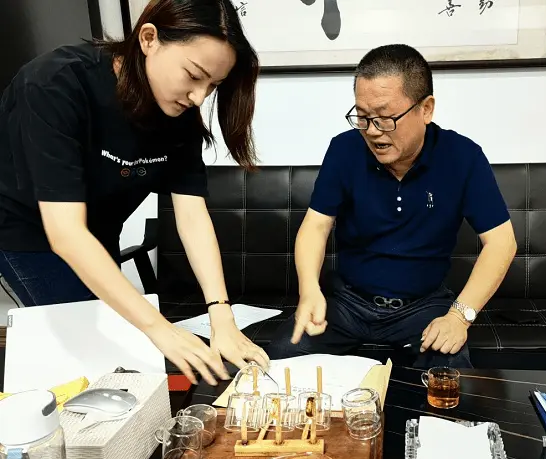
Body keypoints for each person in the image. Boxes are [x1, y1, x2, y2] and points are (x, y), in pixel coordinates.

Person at [0, 0, 270, 386]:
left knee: (115, 342)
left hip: (98, 229)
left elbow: (192, 215)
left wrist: (221, 315)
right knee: (86, 348)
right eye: (194, 75)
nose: (199, 97)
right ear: (149, 39)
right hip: (27, 232)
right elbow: (66, 233)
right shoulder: (54, 84)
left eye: (212, 86)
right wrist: (160, 328)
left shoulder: (179, 116)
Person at [265, 44, 517, 369]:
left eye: (385, 118)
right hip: (347, 303)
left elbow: (501, 242)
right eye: (362, 117)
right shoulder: (344, 150)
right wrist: (309, 290)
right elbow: (316, 225)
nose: (372, 131)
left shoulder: (462, 156)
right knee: (280, 362)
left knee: (449, 378)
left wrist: (459, 316)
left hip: (423, 306)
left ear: (426, 109)